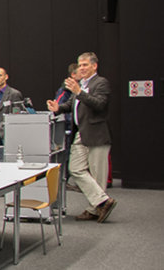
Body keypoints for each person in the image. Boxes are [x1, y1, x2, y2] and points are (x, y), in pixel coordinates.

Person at [46, 52, 117, 223]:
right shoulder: (81, 85)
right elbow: (72, 104)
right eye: (80, 65)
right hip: (82, 133)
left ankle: (95, 209)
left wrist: (79, 92)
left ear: (94, 66)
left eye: (85, 65)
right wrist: (58, 108)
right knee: (75, 168)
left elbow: (99, 104)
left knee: (98, 176)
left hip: (97, 134)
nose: (82, 68)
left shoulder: (101, 83)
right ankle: (102, 201)